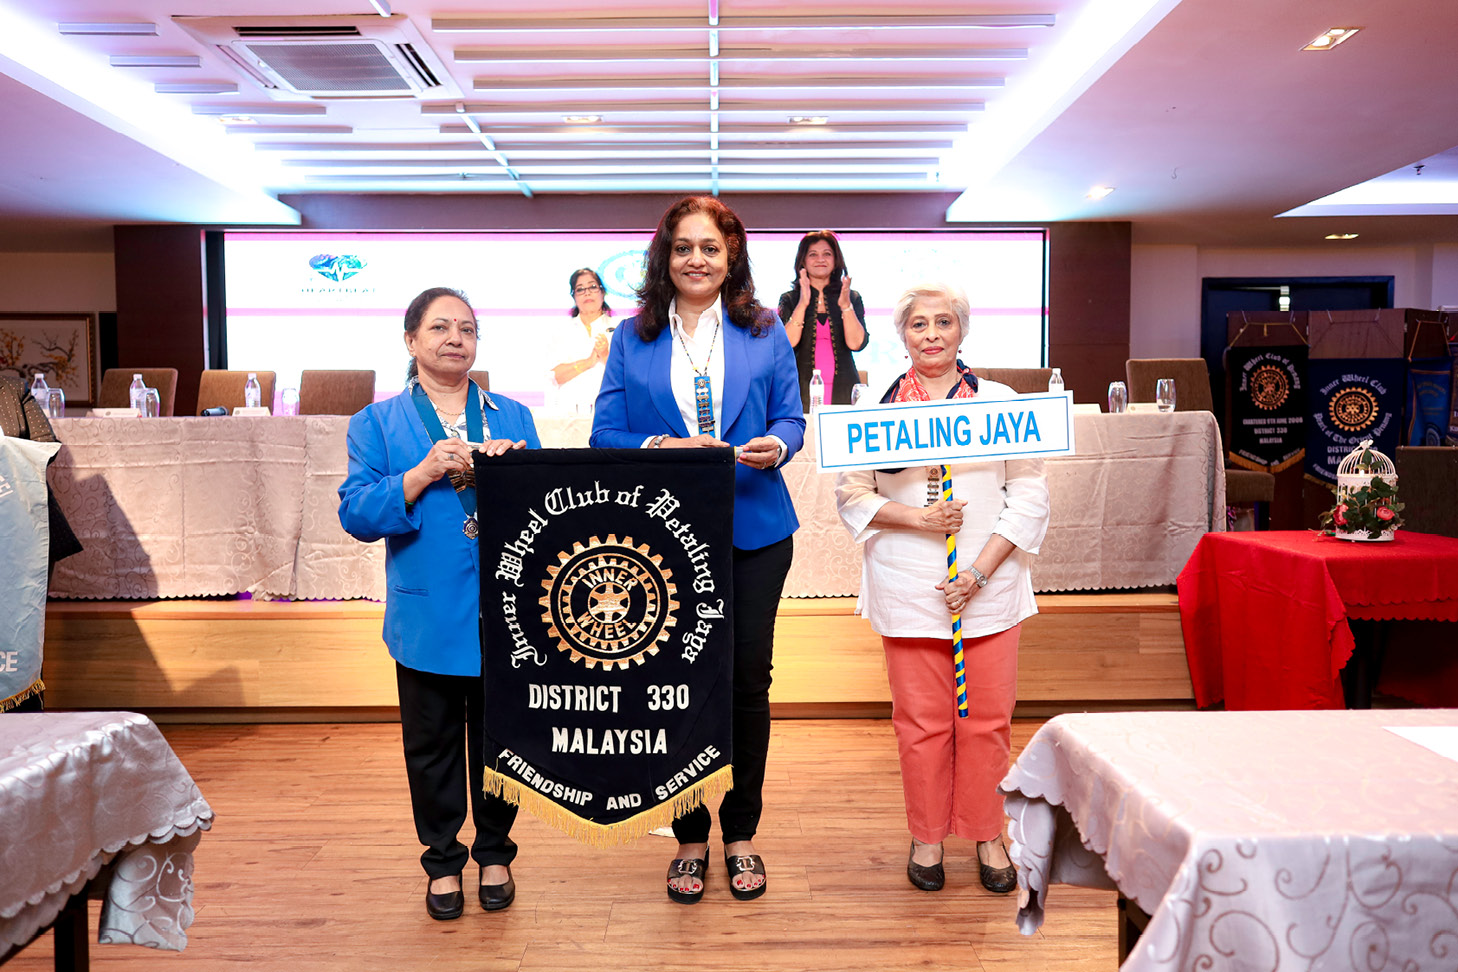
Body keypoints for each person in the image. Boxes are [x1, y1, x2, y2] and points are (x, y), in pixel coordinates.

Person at [590, 196, 804, 904]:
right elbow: (605, 433)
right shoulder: (632, 336)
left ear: (731, 255)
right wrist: (662, 445)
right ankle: (688, 837)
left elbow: (791, 419)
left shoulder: (765, 330)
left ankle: (740, 831)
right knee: (674, 688)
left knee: (746, 684)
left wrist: (778, 446)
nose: (697, 259)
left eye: (710, 247)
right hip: (666, 540)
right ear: (665, 257)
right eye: (683, 247)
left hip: (755, 530)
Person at [833, 283, 1049, 895]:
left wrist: (978, 573)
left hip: (990, 584)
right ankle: (927, 834)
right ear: (903, 335)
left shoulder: (1001, 403)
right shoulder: (875, 408)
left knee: (987, 721)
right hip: (907, 584)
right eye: (918, 324)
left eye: (944, 322)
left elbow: (1029, 495)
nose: (931, 334)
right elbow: (852, 494)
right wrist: (919, 519)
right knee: (921, 722)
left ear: (962, 330)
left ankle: (986, 832)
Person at [338, 287, 541, 921]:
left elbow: (550, 509)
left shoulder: (513, 417)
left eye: (467, 329)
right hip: (426, 613)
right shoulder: (376, 423)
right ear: (411, 340)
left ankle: (496, 852)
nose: (456, 338)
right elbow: (357, 513)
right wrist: (421, 473)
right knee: (431, 745)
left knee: (503, 742)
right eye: (440, 327)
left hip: (506, 609)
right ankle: (443, 860)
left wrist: (519, 476)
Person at [1, 375, 82, 713]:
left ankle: (25, 711)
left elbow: (47, 446)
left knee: (21, 626)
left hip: (23, 530)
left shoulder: (10, 389)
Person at [776, 230, 868, 406]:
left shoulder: (852, 297)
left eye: (827, 254)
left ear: (836, 260)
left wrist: (846, 306)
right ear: (803, 260)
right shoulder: (790, 299)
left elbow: (856, 344)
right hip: (800, 392)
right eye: (813, 254)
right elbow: (786, 343)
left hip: (844, 390)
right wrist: (803, 303)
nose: (820, 259)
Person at [548, 268, 614, 412]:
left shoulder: (620, 327)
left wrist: (605, 355)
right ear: (574, 297)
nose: (587, 293)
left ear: (602, 292)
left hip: (609, 409)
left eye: (592, 287)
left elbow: (628, 374)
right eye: (580, 289)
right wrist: (588, 362)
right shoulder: (562, 331)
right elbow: (556, 376)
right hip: (569, 411)